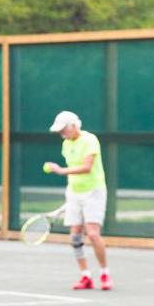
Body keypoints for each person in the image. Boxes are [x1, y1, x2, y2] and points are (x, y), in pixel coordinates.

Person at [44, 110, 111, 290]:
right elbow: (74, 170)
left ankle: (104, 273)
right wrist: (72, 197)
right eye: (60, 131)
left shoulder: (90, 140)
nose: (62, 133)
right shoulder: (66, 144)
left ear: (74, 125)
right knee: (75, 237)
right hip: (74, 192)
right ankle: (85, 276)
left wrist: (60, 170)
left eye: (64, 129)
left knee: (93, 233)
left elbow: (87, 167)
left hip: (94, 191)